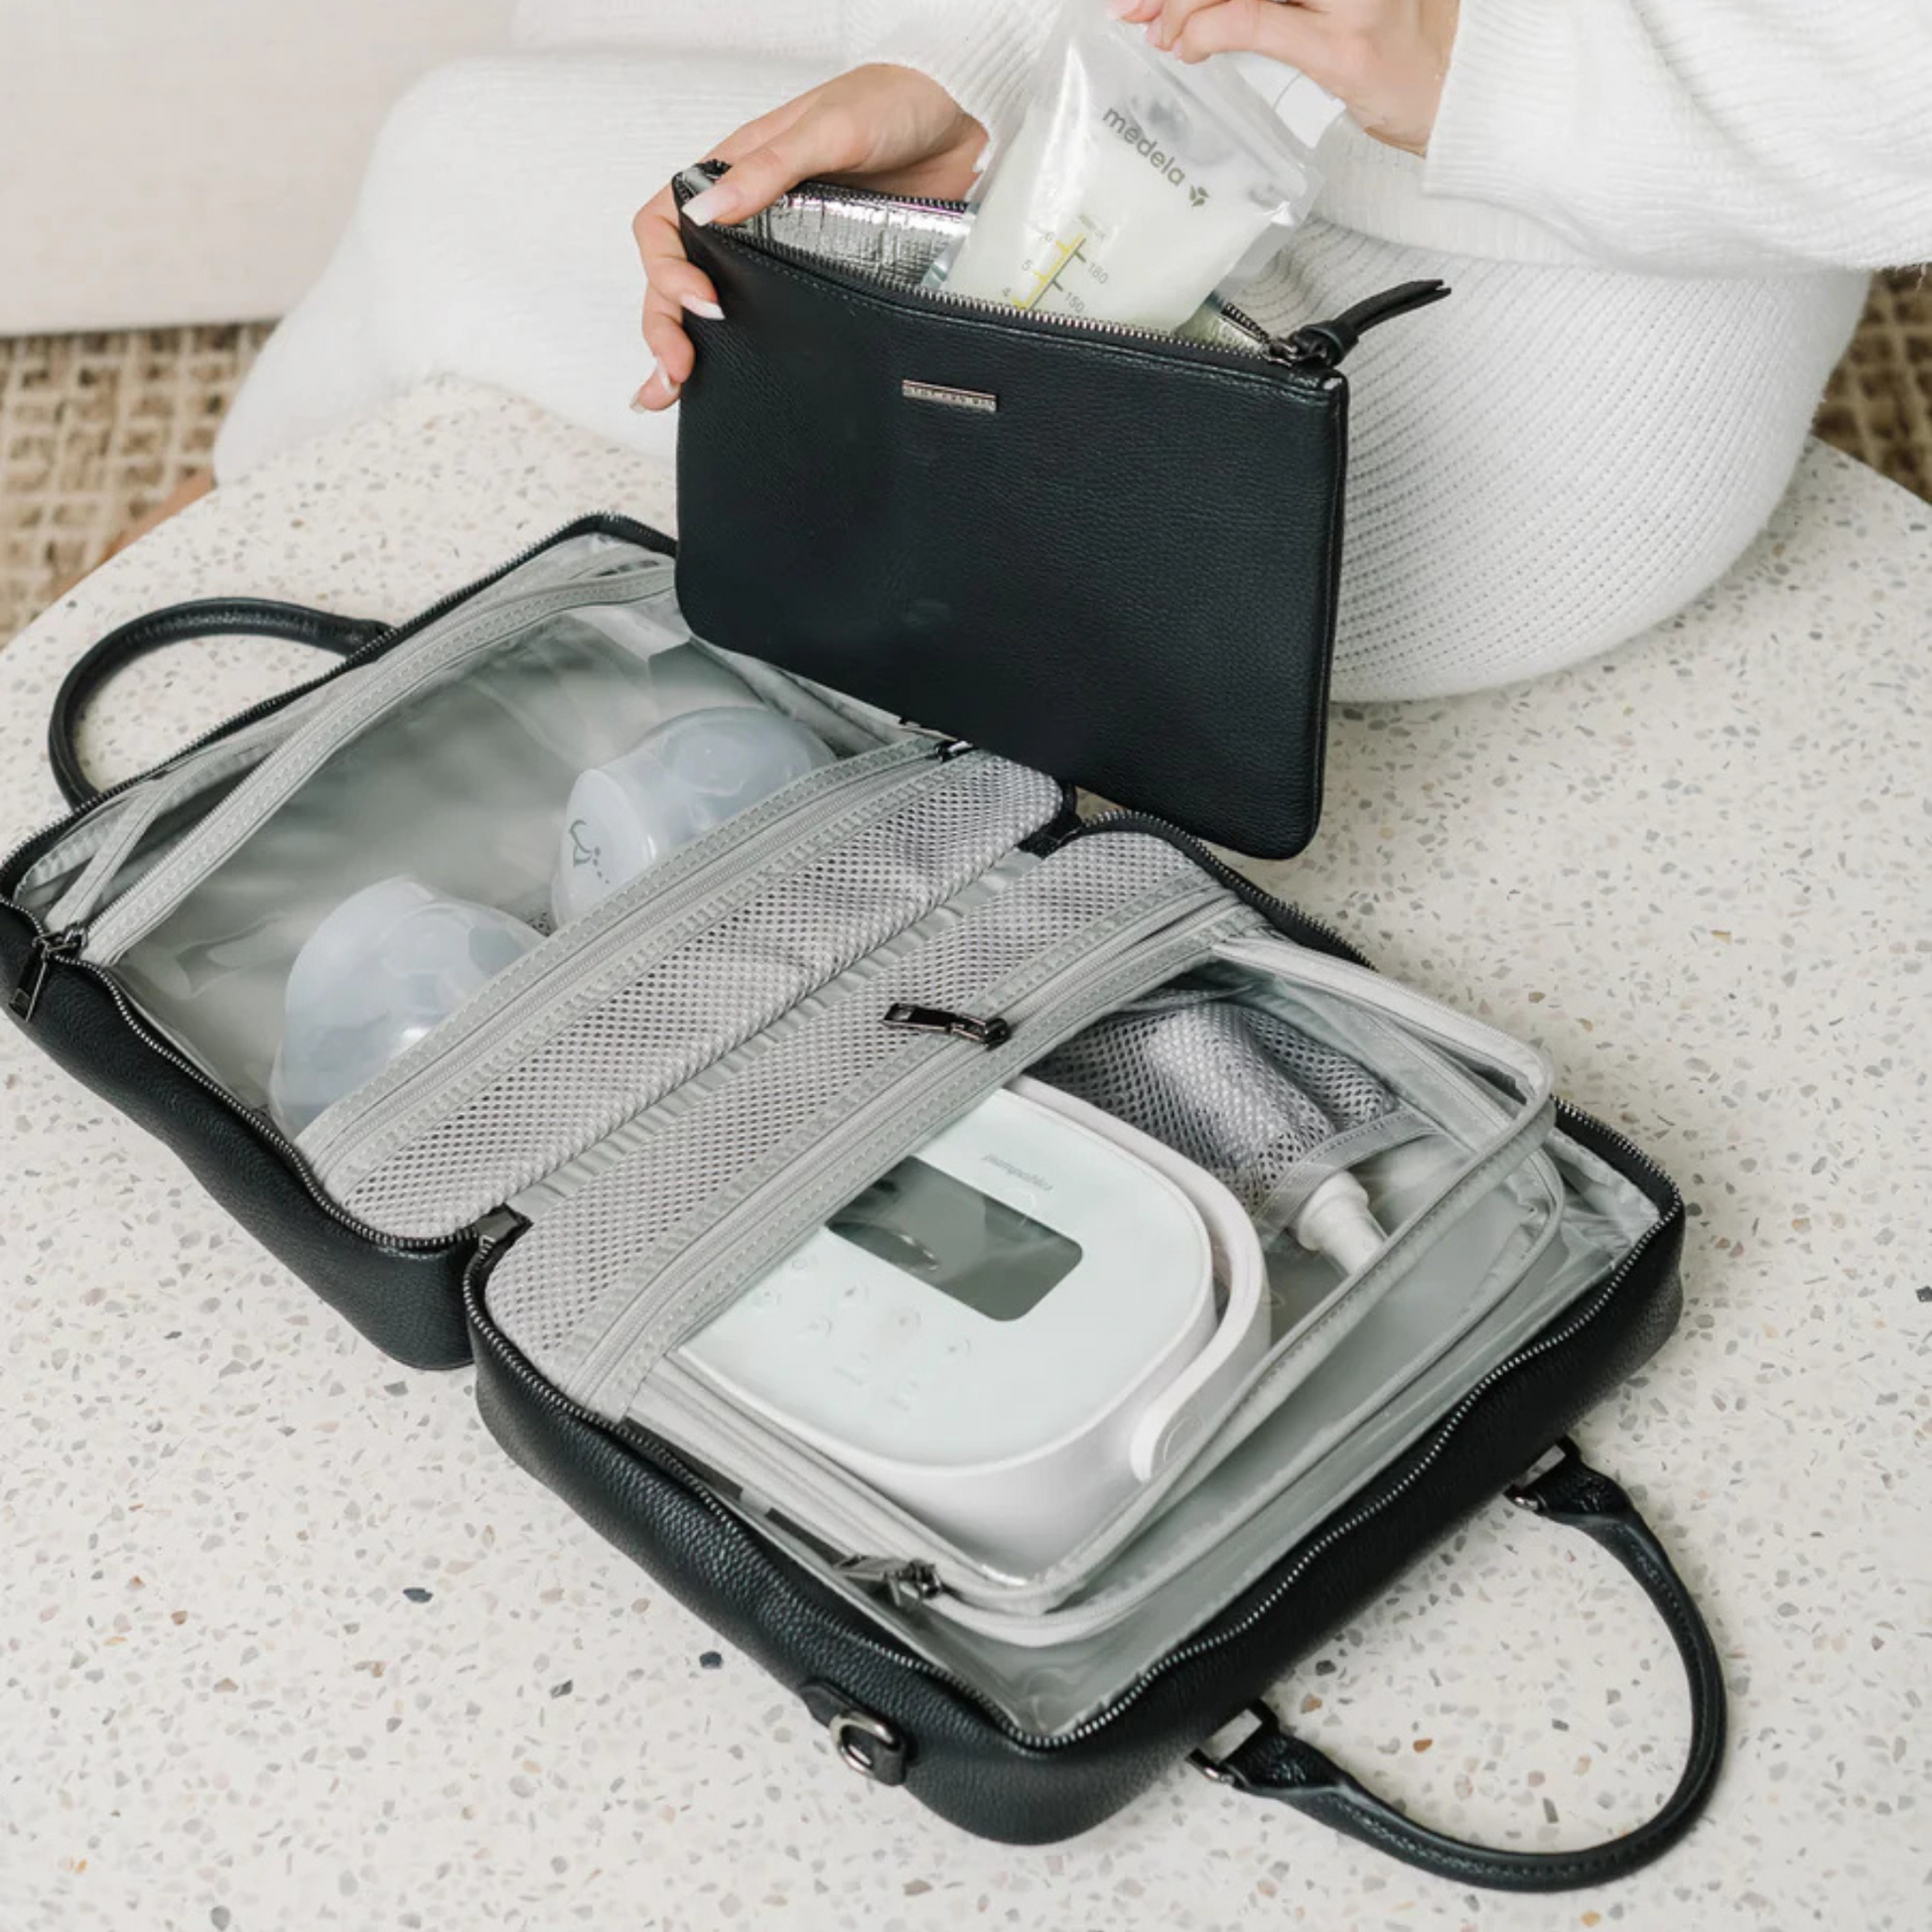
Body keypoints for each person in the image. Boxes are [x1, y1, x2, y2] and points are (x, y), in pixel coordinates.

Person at [216, 1, 1932, 700]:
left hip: (1551, 304)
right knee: (571, 52)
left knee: (454, 155)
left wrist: (1487, 59)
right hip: (1166, 87)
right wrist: (982, 74)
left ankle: (224, 636)